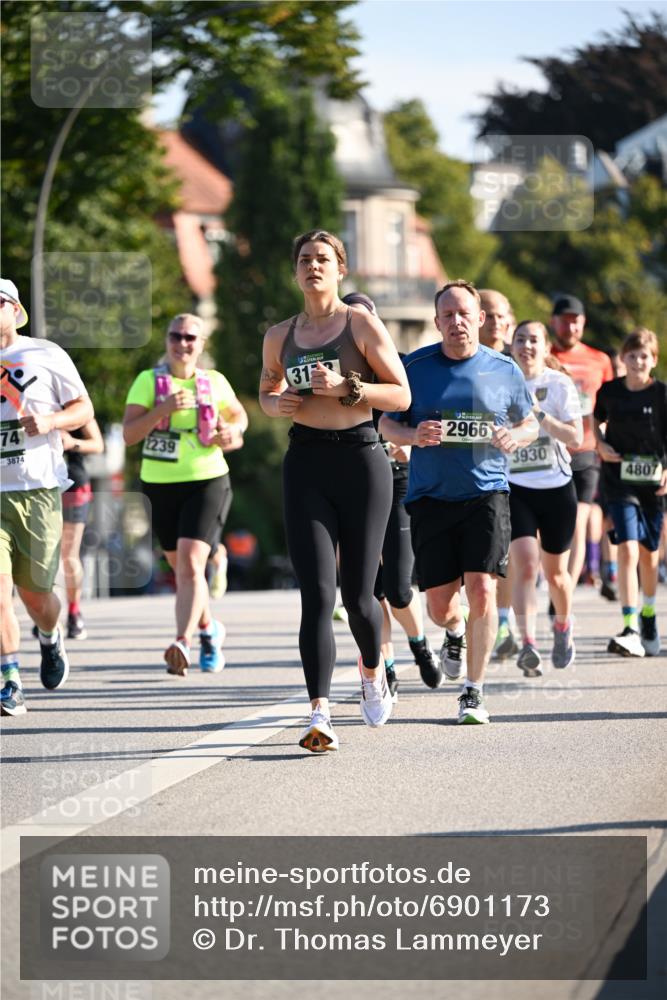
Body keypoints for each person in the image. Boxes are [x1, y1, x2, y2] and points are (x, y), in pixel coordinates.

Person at [259, 230, 410, 753]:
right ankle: (319, 713)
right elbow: (267, 387)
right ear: (295, 271)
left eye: (323, 259)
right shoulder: (279, 334)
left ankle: (373, 671)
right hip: (305, 462)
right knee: (317, 596)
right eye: (305, 259)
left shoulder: (361, 323)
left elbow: (401, 393)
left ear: (340, 269)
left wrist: (350, 388)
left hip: (362, 460)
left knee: (359, 596)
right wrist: (273, 403)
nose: (313, 267)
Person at [385, 280, 538, 725]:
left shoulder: (504, 368)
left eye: (464, 314)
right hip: (431, 498)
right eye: (447, 315)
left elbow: (528, 423)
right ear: (437, 322)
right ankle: (454, 631)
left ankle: (473, 692)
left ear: (480, 319)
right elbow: (385, 426)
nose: (456, 322)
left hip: (487, 494)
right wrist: (412, 435)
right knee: (439, 606)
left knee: (484, 588)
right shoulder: (415, 367)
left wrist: (516, 435)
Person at [123, 313, 248, 676]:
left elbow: (239, 419)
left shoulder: (214, 382)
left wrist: (232, 433)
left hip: (207, 480)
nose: (183, 343)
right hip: (159, 484)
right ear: (167, 340)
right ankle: (210, 630)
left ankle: (182, 641)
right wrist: (163, 409)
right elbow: (130, 434)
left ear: (201, 344)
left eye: (191, 337)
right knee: (183, 570)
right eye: (176, 336)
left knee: (192, 564)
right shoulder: (149, 382)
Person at [0, 279, 94, 716]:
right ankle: (10, 679)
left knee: (35, 593)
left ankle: (50, 636)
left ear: (14, 310)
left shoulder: (46, 354)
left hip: (36, 489)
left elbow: (84, 410)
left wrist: (54, 420)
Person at [340, 292, 439, 696]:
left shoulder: (398, 362)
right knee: (368, 588)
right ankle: (387, 664)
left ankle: (419, 644)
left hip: (396, 478)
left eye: (367, 318)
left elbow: (416, 415)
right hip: (350, 481)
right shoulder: (333, 368)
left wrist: (408, 441)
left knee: (398, 588)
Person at [508, 321, 583, 675]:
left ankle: (563, 627)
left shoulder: (559, 384)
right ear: (511, 346)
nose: (526, 346)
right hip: (515, 485)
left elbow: (575, 436)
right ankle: (528, 643)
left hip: (555, 488)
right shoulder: (501, 381)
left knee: (556, 575)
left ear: (546, 347)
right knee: (524, 562)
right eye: (520, 339)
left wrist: (537, 414)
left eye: (533, 340)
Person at [594, 328, 666, 657]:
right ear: (622, 358)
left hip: (653, 482)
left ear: (654, 361)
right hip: (618, 479)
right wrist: (600, 443)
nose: (637, 361)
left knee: (650, 555)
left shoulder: (661, 395)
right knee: (627, 546)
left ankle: (648, 614)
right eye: (632, 355)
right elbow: (595, 421)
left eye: (644, 356)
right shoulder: (609, 391)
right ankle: (630, 623)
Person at [550, 295, 613, 593]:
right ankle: (554, 579)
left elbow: (609, 407)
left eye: (576, 320)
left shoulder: (599, 360)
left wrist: (605, 441)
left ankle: (567, 590)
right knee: (549, 524)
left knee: (579, 520)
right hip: (549, 451)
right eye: (564, 320)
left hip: (586, 450)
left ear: (583, 323)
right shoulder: (543, 356)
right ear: (554, 322)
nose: (570, 326)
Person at [479, 288, 520, 660]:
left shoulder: (516, 363)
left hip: (520, 476)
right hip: (476, 477)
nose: (494, 322)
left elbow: (532, 420)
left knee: (504, 557)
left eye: (500, 315)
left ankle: (503, 621)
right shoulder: (458, 361)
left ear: (510, 320)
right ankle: (478, 618)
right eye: (486, 314)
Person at [60, 420, 104, 638]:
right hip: (35, 485)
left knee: (68, 555)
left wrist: (71, 442)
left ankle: (73, 612)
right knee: (42, 555)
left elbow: (97, 444)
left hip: (72, 484)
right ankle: (44, 612)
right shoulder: (21, 395)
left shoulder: (74, 400)